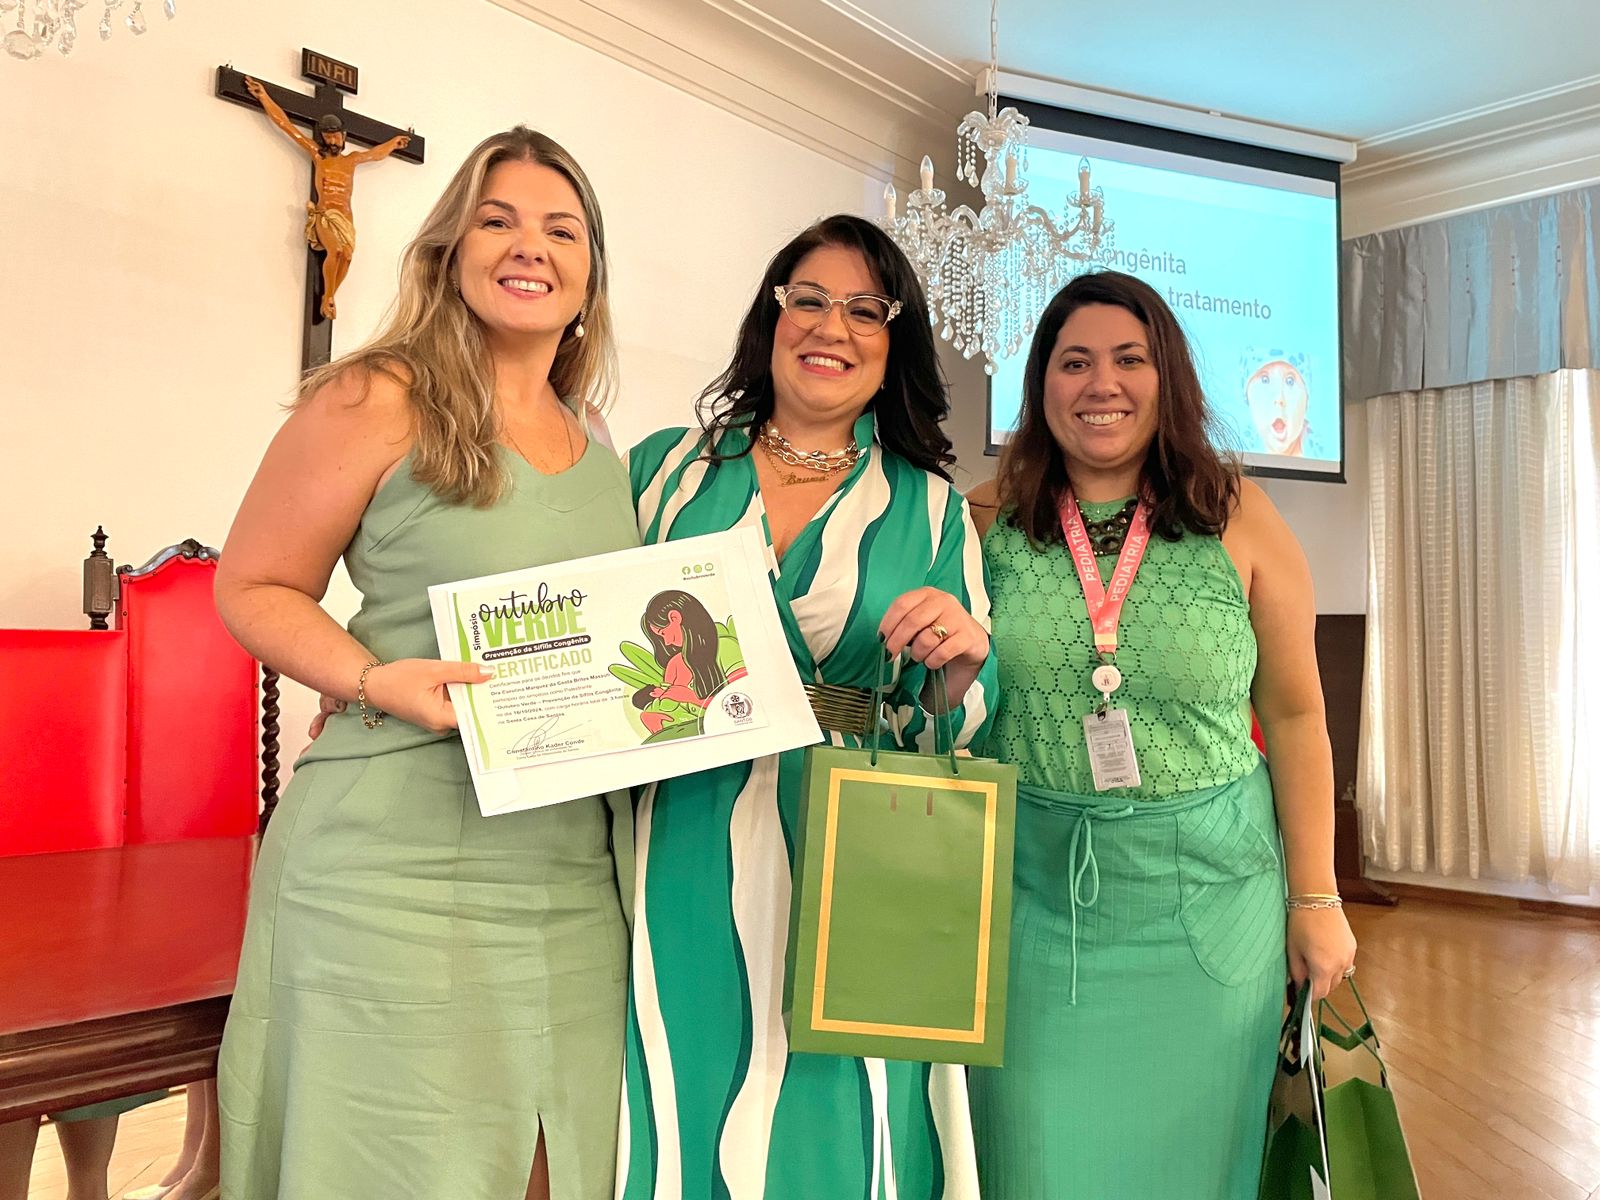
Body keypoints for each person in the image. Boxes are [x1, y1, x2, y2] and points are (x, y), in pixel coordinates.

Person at [213, 126, 635, 1200]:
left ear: (590, 274)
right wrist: (371, 680)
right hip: (386, 867)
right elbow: (253, 586)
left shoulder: (602, 445)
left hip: (567, 874)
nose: (529, 247)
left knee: (557, 1162)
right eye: (497, 220)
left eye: (561, 230)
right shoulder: (377, 397)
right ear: (450, 249)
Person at [615, 214, 997, 1199]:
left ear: (894, 342)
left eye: (865, 310)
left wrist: (959, 666)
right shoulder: (663, 472)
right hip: (677, 838)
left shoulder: (932, 507)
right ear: (772, 315)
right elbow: (585, 645)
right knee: (676, 1094)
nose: (833, 327)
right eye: (810, 300)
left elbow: (949, 721)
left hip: (847, 851)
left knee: (833, 1125)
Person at [966, 271, 1357, 1199]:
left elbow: (1296, 715)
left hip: (1211, 911)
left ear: (1167, 377)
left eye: (1129, 359)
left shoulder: (1238, 514)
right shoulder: (982, 518)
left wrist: (1317, 897)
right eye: (1074, 363)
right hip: (1033, 904)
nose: (1101, 384)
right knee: (1034, 1167)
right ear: (1041, 385)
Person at [242, 77, 411, 319]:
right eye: (327, 136)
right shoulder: (318, 156)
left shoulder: (351, 160)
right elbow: (286, 125)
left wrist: (393, 144)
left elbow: (375, 154)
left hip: (345, 219)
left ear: (344, 136)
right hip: (325, 216)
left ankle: (331, 295)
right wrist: (264, 97)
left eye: (335, 136)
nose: (331, 140)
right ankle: (328, 297)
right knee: (336, 251)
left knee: (347, 255)